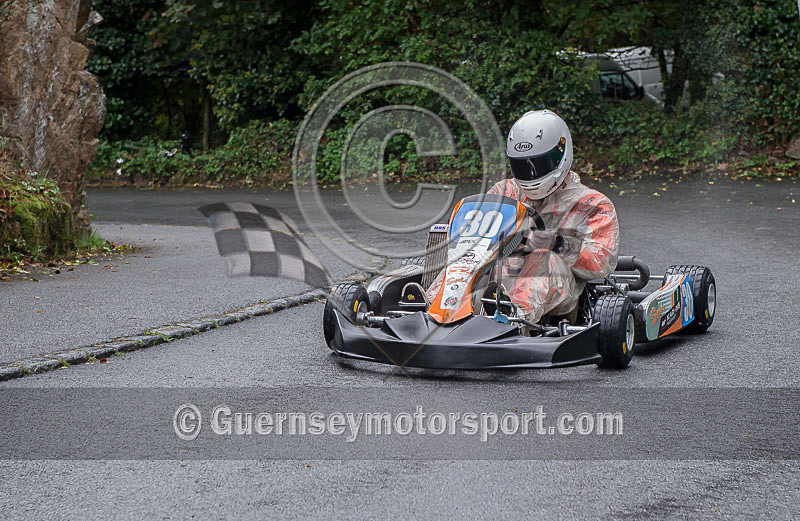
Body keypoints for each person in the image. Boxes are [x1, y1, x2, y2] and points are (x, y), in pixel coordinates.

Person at [427, 109, 619, 324]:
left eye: (538, 164)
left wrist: (559, 244)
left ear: (560, 155)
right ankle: (433, 312)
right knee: (468, 254)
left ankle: (514, 319)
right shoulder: (504, 192)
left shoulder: (593, 204)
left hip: (556, 294)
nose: (530, 173)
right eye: (522, 165)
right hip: (498, 282)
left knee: (542, 258)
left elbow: (601, 263)